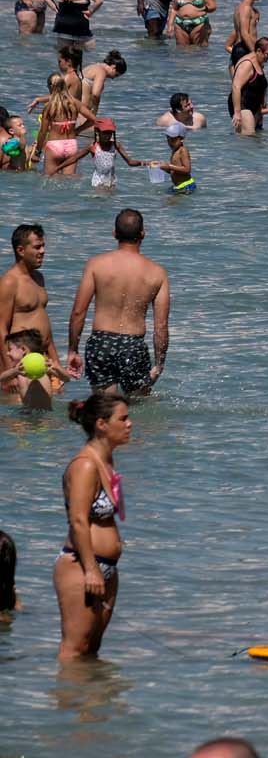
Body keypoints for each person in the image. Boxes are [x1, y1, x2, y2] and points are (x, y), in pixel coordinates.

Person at [54, 393, 131, 660]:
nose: (130, 424)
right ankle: (67, 698)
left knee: (92, 651)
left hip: (105, 568)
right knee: (74, 650)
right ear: (101, 424)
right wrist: (91, 570)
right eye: (123, 418)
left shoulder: (106, 462)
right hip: (81, 565)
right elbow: (78, 520)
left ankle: (92, 700)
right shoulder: (85, 465)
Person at [67, 210, 169, 396]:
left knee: (106, 411)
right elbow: (160, 327)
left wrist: (73, 350)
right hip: (134, 346)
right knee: (139, 411)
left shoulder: (96, 264)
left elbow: (78, 312)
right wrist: (159, 365)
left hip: (101, 343)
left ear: (114, 233)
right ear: (143, 234)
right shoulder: (157, 273)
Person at [0, 224, 66, 381]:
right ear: (21, 250)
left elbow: (45, 327)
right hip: (20, 364)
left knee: (46, 405)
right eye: (37, 247)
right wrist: (9, 372)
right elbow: (1, 328)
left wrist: (56, 363)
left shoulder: (39, 278)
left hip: (42, 361)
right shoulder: (10, 282)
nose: (43, 251)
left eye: (43, 246)